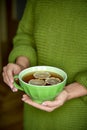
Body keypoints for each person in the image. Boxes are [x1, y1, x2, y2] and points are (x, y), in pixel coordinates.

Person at [2, 0, 87, 130]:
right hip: (34, 109)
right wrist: (21, 65)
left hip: (80, 112)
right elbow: (25, 36)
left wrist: (69, 92)